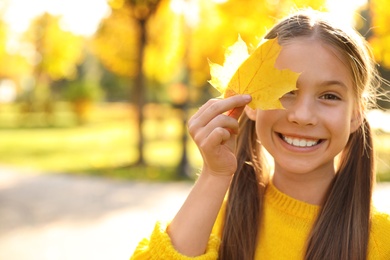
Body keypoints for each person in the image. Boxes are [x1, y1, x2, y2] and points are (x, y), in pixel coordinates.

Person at [131, 9, 390, 260]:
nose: (302, 115)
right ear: (252, 103)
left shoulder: (382, 241)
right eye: (285, 91)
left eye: (329, 96)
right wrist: (214, 176)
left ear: (356, 114)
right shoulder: (210, 225)